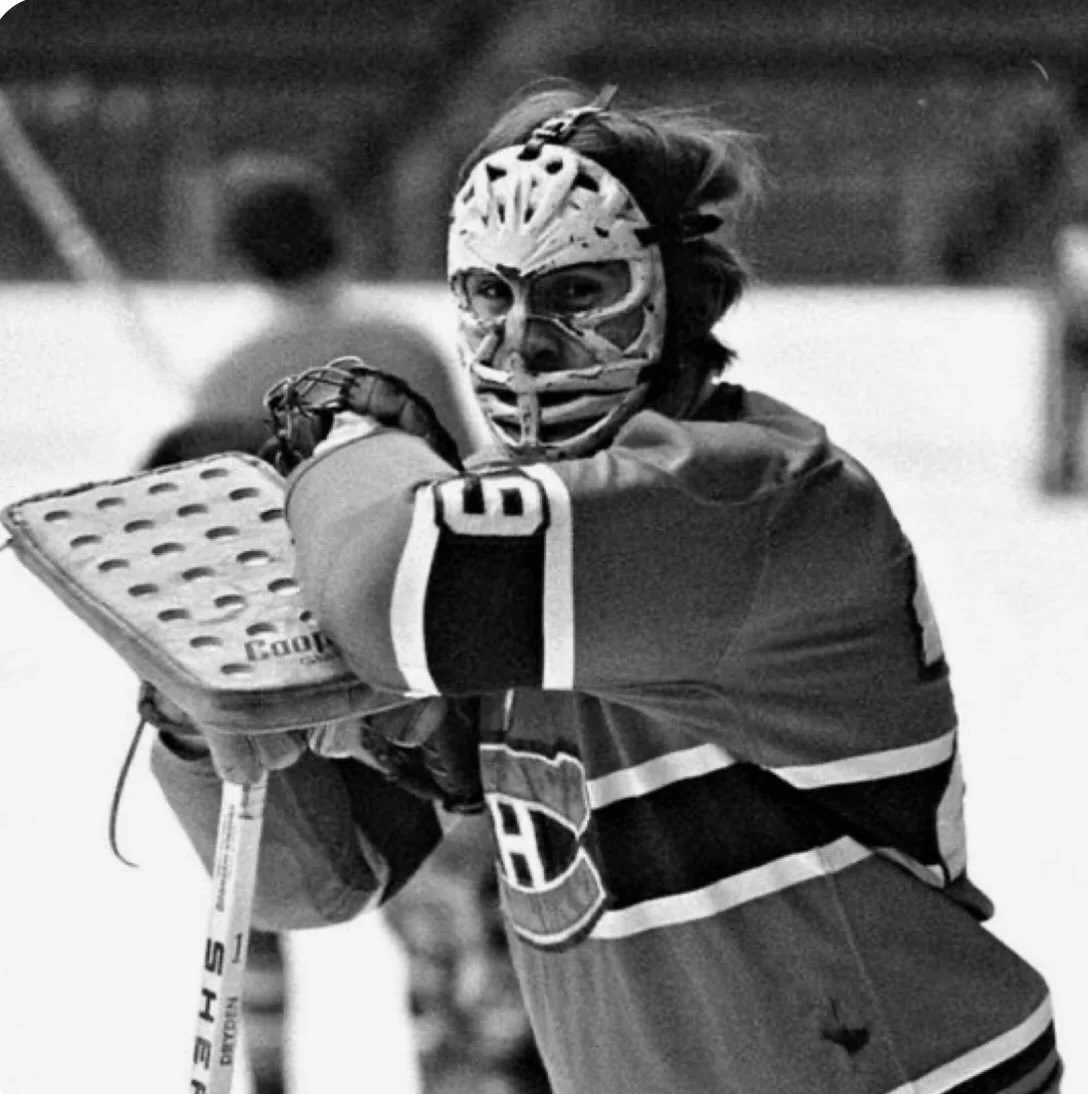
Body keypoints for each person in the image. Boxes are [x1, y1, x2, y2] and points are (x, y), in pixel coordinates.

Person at [149, 84, 1064, 1094]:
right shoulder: (528, 571)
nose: (524, 338)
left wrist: (357, 441)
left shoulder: (749, 493)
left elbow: (381, 588)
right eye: (488, 294)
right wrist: (196, 711)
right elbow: (311, 879)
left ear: (674, 293)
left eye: (577, 292)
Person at [145, 153, 544, 1094]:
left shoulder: (224, 379)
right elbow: (455, 505)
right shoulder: (400, 345)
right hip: (401, 675)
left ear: (243, 260)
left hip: (275, 689)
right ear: (341, 232)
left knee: (265, 888)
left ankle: (268, 1074)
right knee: (451, 938)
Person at [940, 69, 1088, 495]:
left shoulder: (1055, 130)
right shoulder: (1056, 131)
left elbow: (1014, 186)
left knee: (1070, 355)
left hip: (1071, 242)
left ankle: (1064, 459)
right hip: (1073, 242)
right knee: (1071, 353)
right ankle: (1065, 459)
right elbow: (1015, 186)